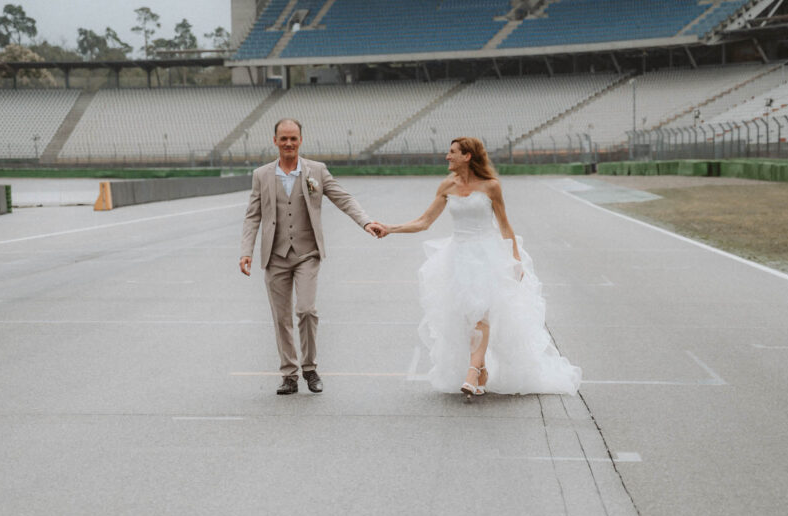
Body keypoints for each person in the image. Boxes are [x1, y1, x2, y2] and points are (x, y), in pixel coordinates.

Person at [380, 137, 581, 399]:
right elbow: (424, 222)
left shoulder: (491, 187)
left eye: (452, 152)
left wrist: (515, 261)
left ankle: (472, 371)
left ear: (468, 156)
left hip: (488, 257)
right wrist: (389, 228)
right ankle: (482, 369)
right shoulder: (446, 186)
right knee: (465, 318)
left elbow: (505, 226)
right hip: (457, 258)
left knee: (480, 315)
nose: (446, 157)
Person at [240, 118, 386, 395]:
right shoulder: (261, 175)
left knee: (306, 310)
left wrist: (366, 222)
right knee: (281, 318)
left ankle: (309, 368)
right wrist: (245, 252)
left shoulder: (316, 171)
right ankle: (289, 374)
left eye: (293, 138)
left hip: (307, 252)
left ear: (300, 140)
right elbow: (253, 216)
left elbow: (343, 198)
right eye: (283, 138)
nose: (288, 143)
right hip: (275, 255)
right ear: (275, 141)